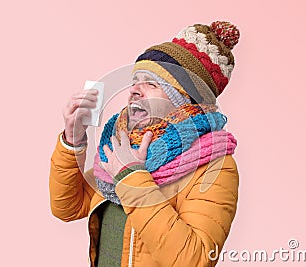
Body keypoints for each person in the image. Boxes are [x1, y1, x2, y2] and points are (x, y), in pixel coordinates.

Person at [49, 20, 240, 267]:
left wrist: (132, 178)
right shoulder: (121, 147)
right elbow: (67, 208)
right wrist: (72, 141)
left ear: (184, 102)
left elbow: (195, 261)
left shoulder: (216, 166)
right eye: (135, 81)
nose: (134, 91)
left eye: (151, 83)